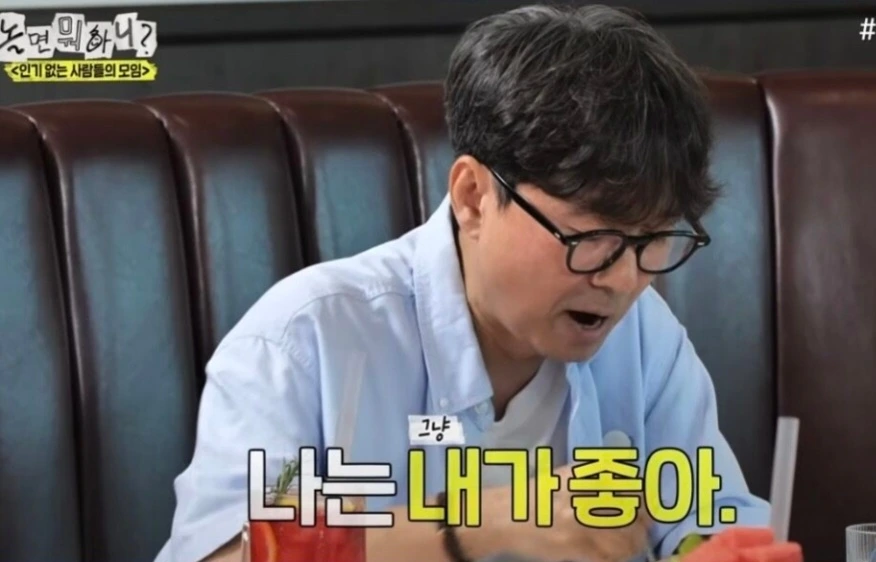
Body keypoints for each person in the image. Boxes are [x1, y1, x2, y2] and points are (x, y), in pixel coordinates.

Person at [155, 4, 802, 562]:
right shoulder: (307, 341)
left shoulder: (645, 340)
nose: (625, 279)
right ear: (473, 196)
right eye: (590, 237)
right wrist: (485, 521)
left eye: (651, 239)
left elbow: (707, 525)